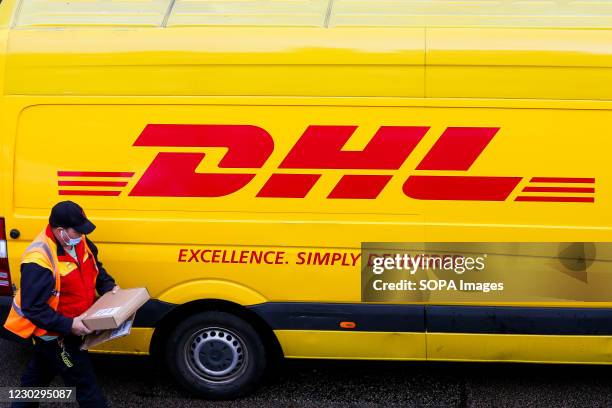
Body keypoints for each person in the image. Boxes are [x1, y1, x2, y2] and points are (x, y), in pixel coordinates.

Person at [3, 200, 119, 407]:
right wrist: (69, 325)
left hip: (70, 329)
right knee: (86, 389)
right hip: (57, 336)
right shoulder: (38, 260)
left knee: (34, 382)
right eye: (78, 231)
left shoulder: (79, 241)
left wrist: (109, 286)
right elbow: (33, 308)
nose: (82, 235)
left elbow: (95, 266)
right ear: (60, 231)